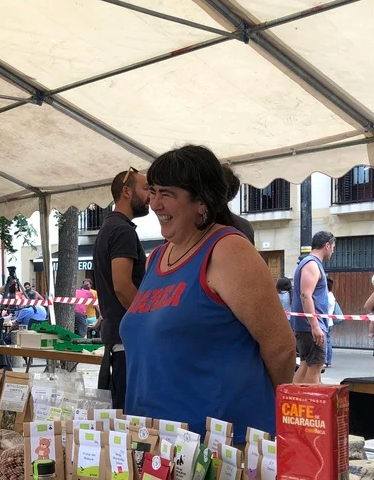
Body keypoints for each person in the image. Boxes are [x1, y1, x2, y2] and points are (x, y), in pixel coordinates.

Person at [120, 145, 295, 438]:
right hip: (155, 442)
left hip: (216, 447)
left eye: (167, 194)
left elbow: (281, 347)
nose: (155, 204)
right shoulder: (157, 258)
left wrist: (274, 416)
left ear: (201, 201)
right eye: (153, 191)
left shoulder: (228, 250)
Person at [93, 166, 150, 409]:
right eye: (146, 188)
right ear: (127, 192)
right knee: (131, 417)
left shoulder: (109, 227)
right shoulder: (122, 230)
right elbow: (122, 286)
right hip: (127, 342)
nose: (150, 195)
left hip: (119, 339)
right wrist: (147, 320)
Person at [291, 231, 335, 384]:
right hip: (310, 326)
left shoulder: (310, 263)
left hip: (307, 325)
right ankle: (308, 397)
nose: (333, 251)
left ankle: (293, 397)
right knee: (315, 366)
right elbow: (306, 295)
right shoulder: (312, 264)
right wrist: (315, 326)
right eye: (333, 247)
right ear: (327, 245)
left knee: (306, 365)